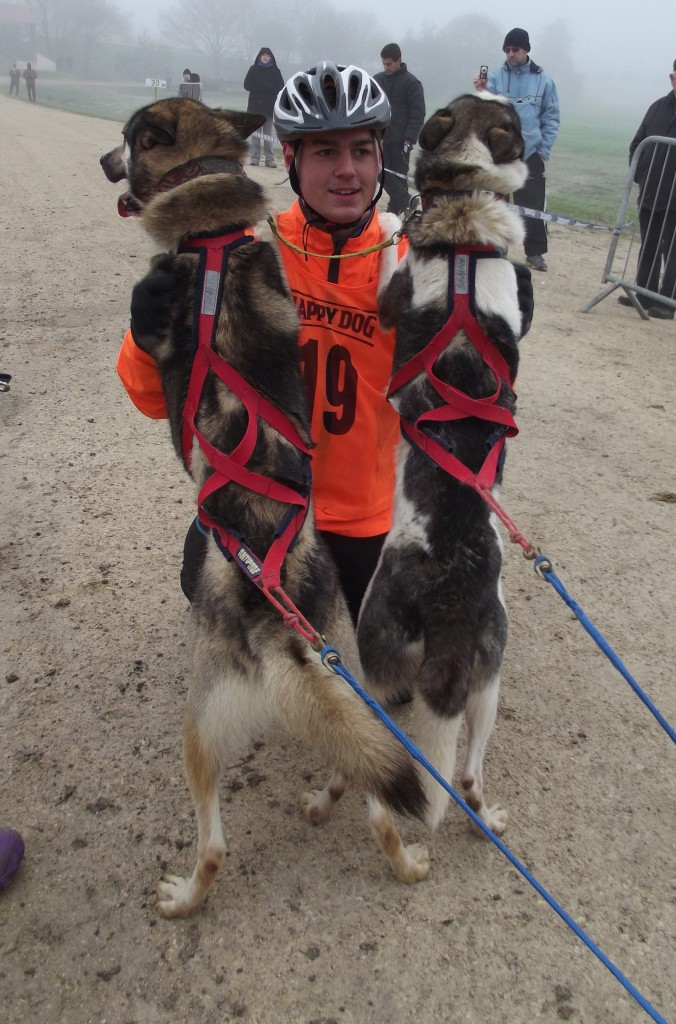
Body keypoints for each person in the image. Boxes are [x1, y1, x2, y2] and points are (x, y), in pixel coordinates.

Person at [116, 62, 533, 622]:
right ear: (289, 160)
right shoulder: (247, 250)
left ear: (381, 155)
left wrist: (498, 331)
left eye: (361, 150)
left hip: (368, 512)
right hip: (272, 499)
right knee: (203, 583)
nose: (347, 171)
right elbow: (153, 399)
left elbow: (465, 404)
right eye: (324, 153)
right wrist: (148, 339)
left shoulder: (416, 259)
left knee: (399, 664)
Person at [474, 28, 559, 273]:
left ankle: (535, 253)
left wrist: (543, 150)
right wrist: (482, 91)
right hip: (500, 153)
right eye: (508, 50)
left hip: (531, 153)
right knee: (496, 203)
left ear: (526, 50)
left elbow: (551, 117)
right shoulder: (496, 78)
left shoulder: (544, 80)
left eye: (516, 50)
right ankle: (497, 246)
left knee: (533, 206)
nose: (511, 54)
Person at [620, 60, 676, 320]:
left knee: (673, 248)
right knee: (649, 244)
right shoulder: (657, 108)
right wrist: (641, 175)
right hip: (651, 191)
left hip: (674, 196)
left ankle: (668, 301)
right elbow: (637, 144)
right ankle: (643, 293)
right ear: (672, 78)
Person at [373, 43, 425, 217]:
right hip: (380, 139)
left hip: (402, 141)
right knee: (379, 171)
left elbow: (418, 113)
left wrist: (410, 138)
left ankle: (393, 215)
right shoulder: (377, 80)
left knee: (400, 180)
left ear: (399, 60)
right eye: (384, 64)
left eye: (389, 64)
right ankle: (407, 201)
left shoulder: (412, 83)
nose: (386, 67)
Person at [243, 47, 284, 168]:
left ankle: (269, 159)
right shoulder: (253, 69)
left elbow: (281, 86)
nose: (265, 57)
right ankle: (254, 158)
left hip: (269, 108)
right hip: (255, 108)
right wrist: (261, 86)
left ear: (270, 57)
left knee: (268, 135)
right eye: (263, 55)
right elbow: (246, 85)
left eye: (267, 55)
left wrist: (268, 87)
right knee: (255, 135)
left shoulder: (275, 71)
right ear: (259, 57)